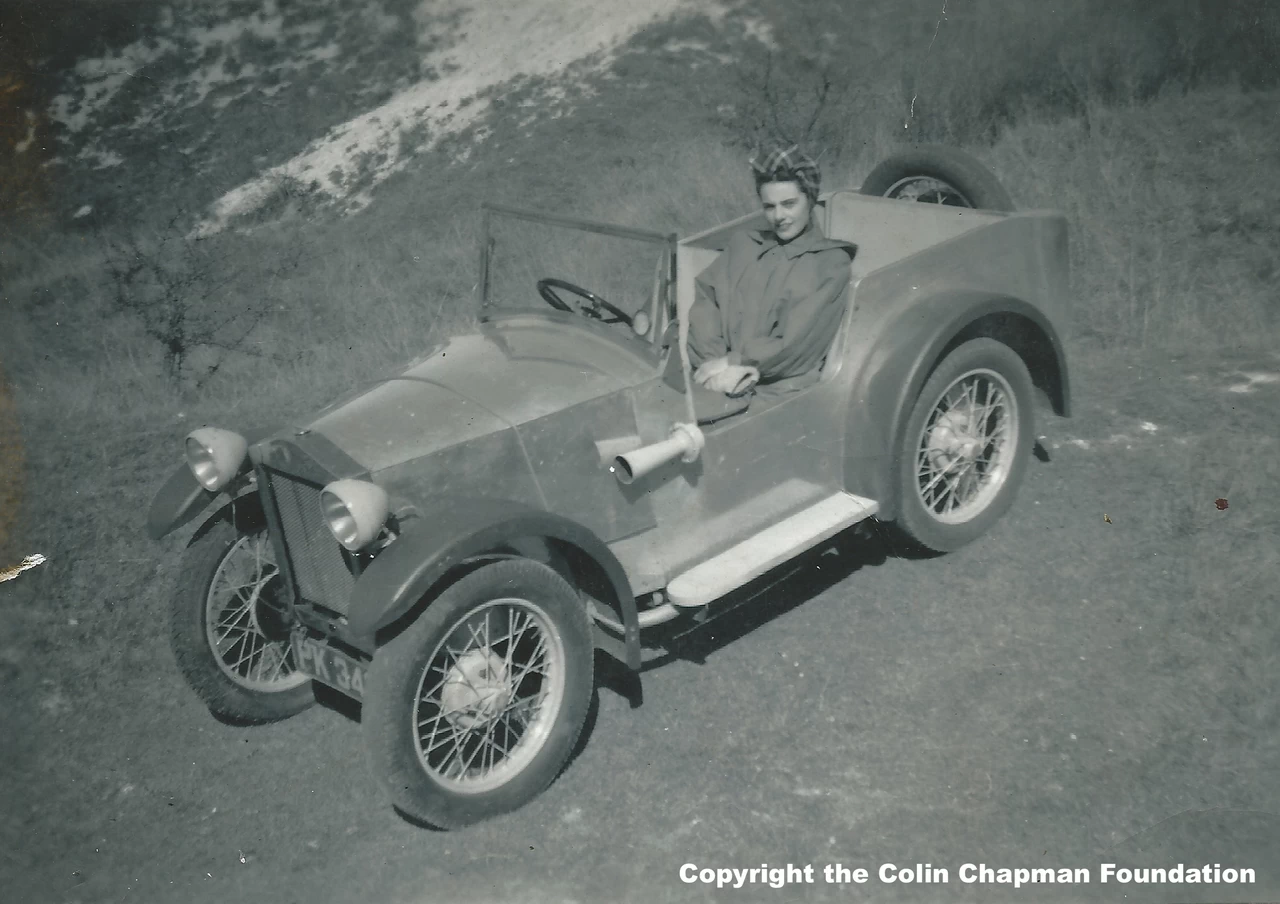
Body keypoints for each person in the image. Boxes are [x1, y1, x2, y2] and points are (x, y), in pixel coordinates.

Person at [688, 145, 857, 398]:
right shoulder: (744, 245)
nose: (779, 216)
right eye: (769, 206)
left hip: (779, 391)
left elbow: (796, 344)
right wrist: (712, 362)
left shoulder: (830, 264)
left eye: (789, 204)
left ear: (810, 200)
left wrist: (735, 362)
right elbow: (706, 300)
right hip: (715, 377)